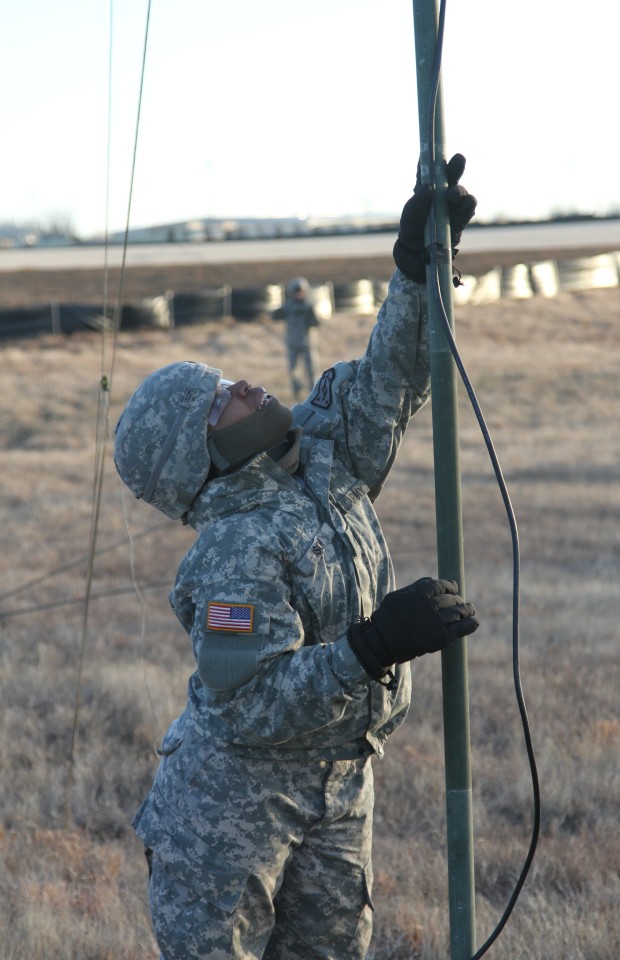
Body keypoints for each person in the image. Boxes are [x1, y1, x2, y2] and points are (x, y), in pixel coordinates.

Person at [114, 156, 478, 960]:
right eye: (218, 401)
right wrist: (373, 645)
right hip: (232, 809)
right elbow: (253, 704)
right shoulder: (231, 552)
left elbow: (393, 376)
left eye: (225, 380)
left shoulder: (320, 449)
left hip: (340, 784)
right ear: (198, 456)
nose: (241, 387)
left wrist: (417, 269)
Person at [282, 276, 319, 400]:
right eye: (296, 292)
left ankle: (313, 393)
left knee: (311, 370)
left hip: (307, 342)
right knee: (293, 371)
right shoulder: (288, 307)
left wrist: (309, 315)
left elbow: (315, 322)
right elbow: (276, 315)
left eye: (301, 292)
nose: (298, 295)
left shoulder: (308, 306)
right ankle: (297, 393)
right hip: (292, 342)